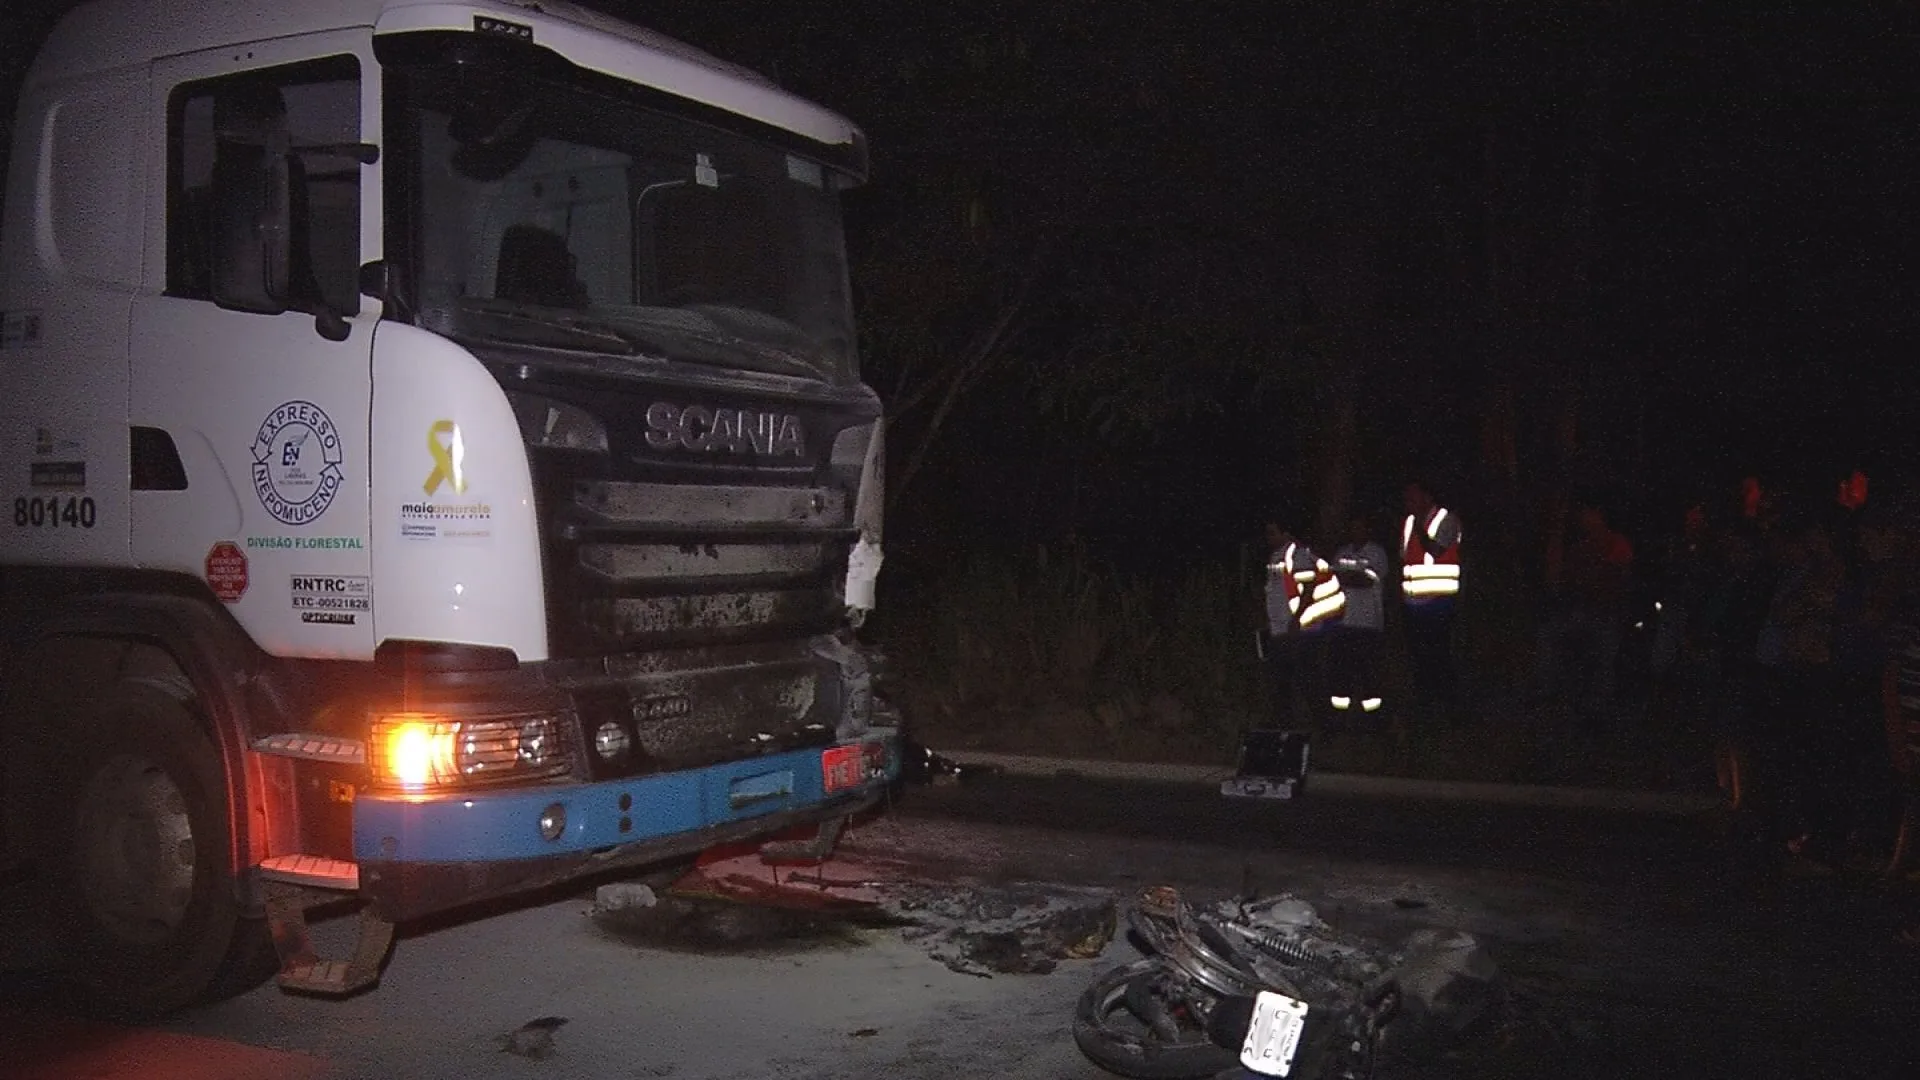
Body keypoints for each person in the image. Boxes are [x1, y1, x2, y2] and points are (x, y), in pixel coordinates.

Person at [1533, 500, 1635, 735]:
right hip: (1580, 610)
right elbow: (1558, 581)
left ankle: (1597, 710)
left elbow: (1616, 581)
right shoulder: (1576, 546)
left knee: (1604, 653)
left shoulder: (1616, 543)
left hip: (1607, 612)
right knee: (1549, 636)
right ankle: (1550, 696)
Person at [1262, 519, 1345, 730]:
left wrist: (1296, 619)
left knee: (1308, 679)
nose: (1268, 537)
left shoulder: (1297, 554)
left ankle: (1324, 725)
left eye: (1273, 532)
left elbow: (1308, 588)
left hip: (1301, 630)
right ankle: (1284, 723)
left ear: (1286, 532)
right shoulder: (1276, 556)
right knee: (1283, 680)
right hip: (1280, 628)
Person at [1399, 480, 1462, 723]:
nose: (1409, 503)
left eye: (1413, 497)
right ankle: (1424, 707)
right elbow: (1405, 560)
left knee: (1439, 655)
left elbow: (1435, 550)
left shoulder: (1446, 520)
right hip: (1413, 604)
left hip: (1439, 602)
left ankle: (1448, 708)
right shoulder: (1408, 523)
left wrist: (1418, 528)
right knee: (1419, 658)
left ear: (1427, 497)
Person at [1329, 513, 1390, 719]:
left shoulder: (1377, 553)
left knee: (1369, 674)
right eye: (1353, 527)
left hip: (1368, 623)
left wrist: (1349, 578)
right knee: (1341, 673)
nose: (1356, 531)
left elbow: (1368, 580)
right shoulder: (1342, 552)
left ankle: (1373, 720)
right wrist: (1351, 577)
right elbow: (1334, 579)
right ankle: (1340, 718)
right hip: (1343, 621)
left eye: (1360, 527)